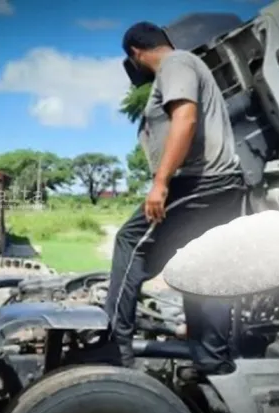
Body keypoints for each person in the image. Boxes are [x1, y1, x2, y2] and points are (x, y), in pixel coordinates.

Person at [105, 22, 248, 375]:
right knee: (202, 268)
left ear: (135, 53)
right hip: (220, 185)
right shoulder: (185, 63)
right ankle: (211, 360)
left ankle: (115, 345)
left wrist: (160, 182)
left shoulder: (176, 63)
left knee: (130, 242)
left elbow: (184, 118)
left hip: (200, 183)